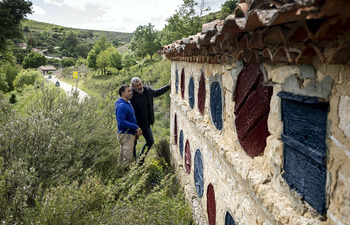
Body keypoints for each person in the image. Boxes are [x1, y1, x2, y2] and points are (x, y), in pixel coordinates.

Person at [130, 77, 171, 163]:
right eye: (136, 86)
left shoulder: (147, 90)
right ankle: (133, 163)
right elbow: (130, 113)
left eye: (140, 84)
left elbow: (156, 92)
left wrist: (168, 86)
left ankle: (141, 160)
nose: (139, 87)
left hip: (146, 123)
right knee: (133, 145)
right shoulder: (131, 96)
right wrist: (136, 127)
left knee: (150, 141)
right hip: (135, 124)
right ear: (133, 87)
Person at [115, 84, 142, 167]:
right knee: (128, 160)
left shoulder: (127, 103)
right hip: (126, 135)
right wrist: (135, 127)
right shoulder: (123, 106)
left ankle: (119, 175)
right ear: (123, 93)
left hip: (129, 134)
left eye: (131, 90)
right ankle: (127, 178)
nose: (131, 92)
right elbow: (121, 122)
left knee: (122, 157)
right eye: (129, 91)